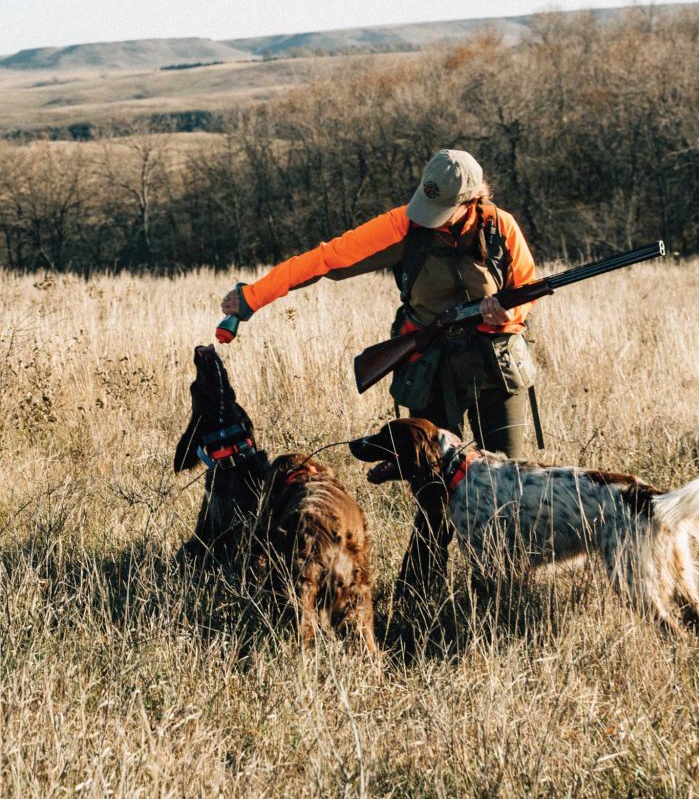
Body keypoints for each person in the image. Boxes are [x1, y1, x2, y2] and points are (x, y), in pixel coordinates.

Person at [220, 149, 539, 615]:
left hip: (495, 369)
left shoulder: (500, 228)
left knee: (510, 487)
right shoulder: (404, 225)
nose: (430, 217)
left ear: (473, 199)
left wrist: (505, 313)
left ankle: (501, 600)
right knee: (433, 494)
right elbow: (324, 259)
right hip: (432, 370)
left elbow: (526, 290)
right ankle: (418, 601)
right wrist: (252, 297)